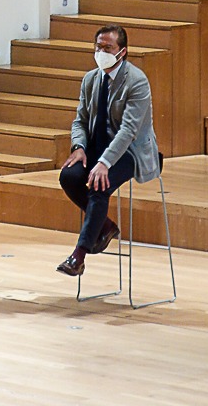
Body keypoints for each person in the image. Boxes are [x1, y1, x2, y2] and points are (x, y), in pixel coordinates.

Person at [56, 24, 161, 277]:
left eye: (108, 48)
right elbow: (80, 120)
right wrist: (79, 147)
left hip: (130, 152)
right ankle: (105, 226)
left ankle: (78, 256)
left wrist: (104, 162)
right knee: (68, 176)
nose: (101, 52)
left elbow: (129, 130)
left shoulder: (137, 81)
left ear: (122, 51)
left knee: (99, 185)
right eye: (98, 47)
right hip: (97, 146)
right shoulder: (90, 79)